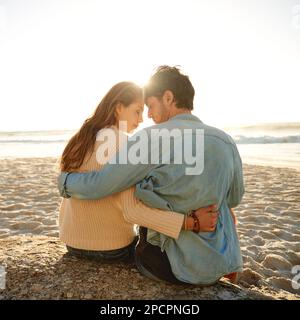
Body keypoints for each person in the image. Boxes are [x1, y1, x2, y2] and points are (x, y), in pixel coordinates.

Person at [58, 66, 244, 285]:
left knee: (144, 189)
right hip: (214, 263)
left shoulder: (148, 138)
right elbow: (234, 198)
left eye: (150, 106)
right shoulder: (226, 140)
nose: (149, 116)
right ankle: (226, 266)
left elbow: (102, 184)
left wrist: (65, 181)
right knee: (223, 207)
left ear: (168, 97)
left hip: (164, 264)